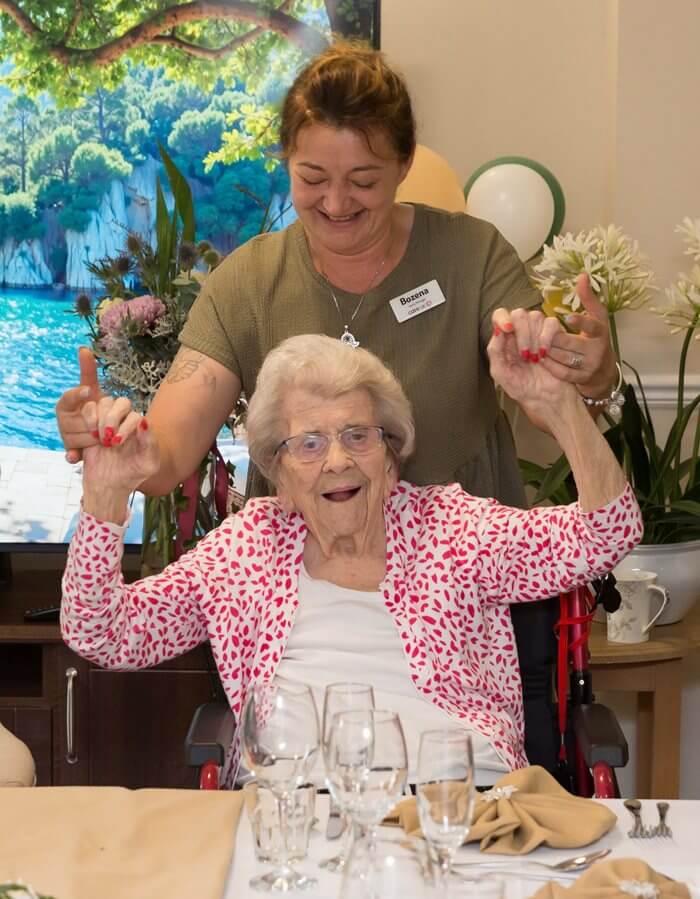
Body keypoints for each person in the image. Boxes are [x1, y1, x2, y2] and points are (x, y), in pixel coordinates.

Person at [61, 332, 642, 786]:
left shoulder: (453, 529)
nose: (337, 460)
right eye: (308, 443)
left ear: (392, 459)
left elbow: (606, 534)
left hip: (464, 811)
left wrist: (558, 406)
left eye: (359, 436)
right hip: (296, 817)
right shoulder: (247, 549)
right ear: (279, 475)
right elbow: (104, 634)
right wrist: (107, 497)